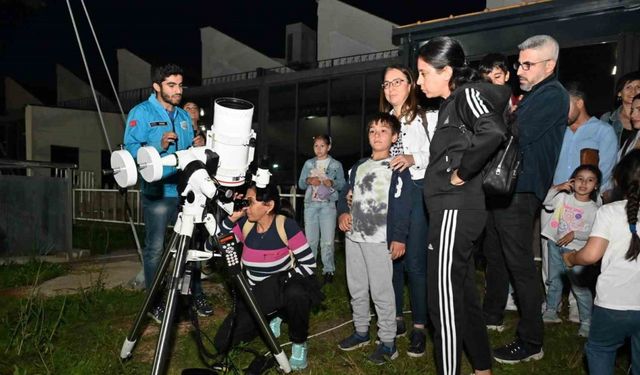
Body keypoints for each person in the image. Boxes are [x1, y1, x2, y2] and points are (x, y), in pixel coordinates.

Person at [417, 36, 509, 375]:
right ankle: (482, 368)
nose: (419, 81)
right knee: (463, 296)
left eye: (424, 73)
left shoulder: (465, 95)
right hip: (452, 211)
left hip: (455, 210)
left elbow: (494, 131)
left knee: (442, 304)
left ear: (447, 71)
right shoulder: (451, 103)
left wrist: (462, 171)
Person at [483, 35, 569, 364]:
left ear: (550, 65)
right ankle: (492, 314)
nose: (520, 69)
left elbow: (514, 131)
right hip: (508, 189)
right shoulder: (535, 94)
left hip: (522, 190)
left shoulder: (551, 95)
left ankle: (531, 341)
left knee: (521, 265)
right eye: (519, 62)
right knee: (497, 253)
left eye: (528, 64)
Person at [123, 64, 209, 322]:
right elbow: (130, 148)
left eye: (180, 85)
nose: (177, 90)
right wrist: (157, 145)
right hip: (158, 193)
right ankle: (155, 301)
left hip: (186, 193)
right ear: (157, 86)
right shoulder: (141, 113)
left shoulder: (183, 116)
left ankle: (195, 295)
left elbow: (189, 152)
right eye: (171, 85)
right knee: (156, 249)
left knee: (191, 248)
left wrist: (200, 142)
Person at [212, 182, 319, 371]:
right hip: (256, 295)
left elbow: (309, 265)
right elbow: (215, 243)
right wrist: (230, 220)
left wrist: (281, 281)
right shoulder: (245, 224)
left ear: (269, 205)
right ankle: (270, 317)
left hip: (282, 290)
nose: (246, 206)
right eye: (246, 201)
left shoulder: (287, 226)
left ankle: (299, 342)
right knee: (222, 343)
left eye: (251, 202)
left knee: (297, 292)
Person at [336, 113, 411, 365]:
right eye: (372, 131)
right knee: (356, 287)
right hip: (354, 237)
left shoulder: (397, 167)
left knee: (381, 291)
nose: (377, 135)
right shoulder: (358, 166)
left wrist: (399, 237)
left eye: (383, 131)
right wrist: (342, 213)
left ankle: (388, 342)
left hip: (379, 239)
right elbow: (344, 195)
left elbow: (403, 206)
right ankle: (361, 332)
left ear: (394, 137)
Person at [563, 150, 640, 375]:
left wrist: (571, 257)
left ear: (617, 181)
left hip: (613, 304)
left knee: (601, 349)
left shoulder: (609, 212)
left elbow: (590, 255)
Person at [380, 64, 437, 357]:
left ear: (411, 84)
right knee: (392, 259)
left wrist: (413, 156)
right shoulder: (385, 121)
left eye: (397, 82)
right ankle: (396, 319)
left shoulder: (427, 117)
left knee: (415, 261)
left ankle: (419, 326)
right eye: (386, 84)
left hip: (417, 190)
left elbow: (444, 153)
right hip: (391, 193)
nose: (390, 88)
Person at [478, 52, 519, 314]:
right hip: (483, 187)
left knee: (510, 251)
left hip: (509, 187)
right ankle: (493, 308)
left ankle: (515, 303)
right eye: (487, 78)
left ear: (506, 76)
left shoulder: (518, 105)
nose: (493, 82)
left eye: (497, 76)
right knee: (490, 249)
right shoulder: (480, 106)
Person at [541, 165, 601, 338]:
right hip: (554, 244)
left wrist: (575, 233)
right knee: (554, 280)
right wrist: (557, 188)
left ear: (596, 186)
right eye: (580, 179)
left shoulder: (595, 209)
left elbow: (593, 233)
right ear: (572, 182)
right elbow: (546, 202)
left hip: (576, 253)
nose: (584, 183)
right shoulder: (562, 198)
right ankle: (551, 311)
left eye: (590, 180)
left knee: (579, 287)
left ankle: (587, 322)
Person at [298, 134, 345, 284]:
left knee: (327, 241)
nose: (318, 149)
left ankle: (328, 270)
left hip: (328, 205)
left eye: (322, 146)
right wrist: (308, 180)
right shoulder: (308, 164)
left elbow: (343, 183)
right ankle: (309, 269)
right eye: (316, 146)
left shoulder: (336, 165)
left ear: (328, 147)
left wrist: (332, 183)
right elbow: (301, 184)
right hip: (310, 205)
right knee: (311, 240)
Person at [600, 71, 640, 146]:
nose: (633, 91)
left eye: (638, 87)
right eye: (628, 87)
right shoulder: (607, 118)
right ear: (619, 93)